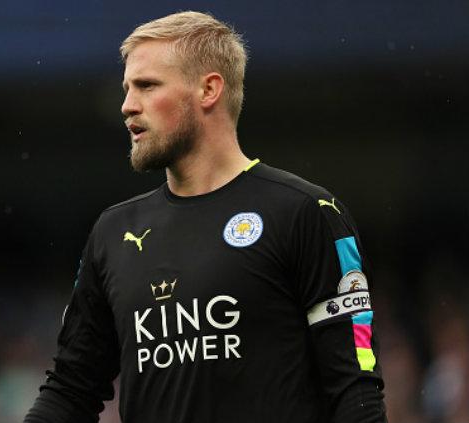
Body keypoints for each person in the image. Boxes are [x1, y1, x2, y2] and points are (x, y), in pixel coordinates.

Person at [25, 11, 386, 423]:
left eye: (146, 85)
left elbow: (355, 391)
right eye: (127, 88)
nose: (127, 105)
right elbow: (70, 390)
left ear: (209, 90)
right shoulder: (113, 232)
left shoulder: (305, 214)